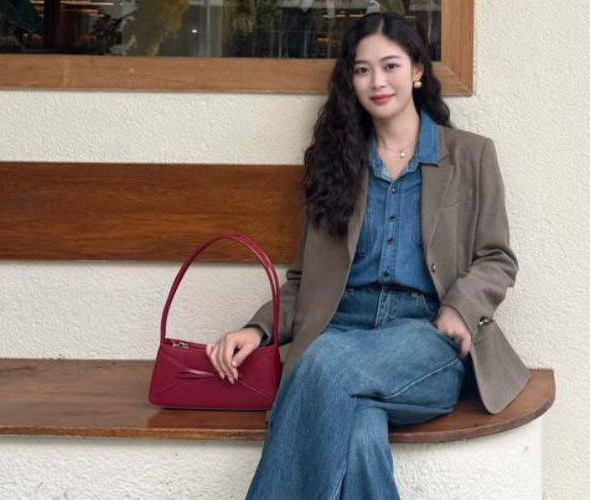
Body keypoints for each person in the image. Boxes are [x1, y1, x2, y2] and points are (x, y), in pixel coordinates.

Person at [206, 11, 529, 500]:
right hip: (340, 329)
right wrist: (258, 329)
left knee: (322, 362)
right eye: (362, 70)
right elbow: (305, 281)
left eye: (390, 66)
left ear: (417, 70)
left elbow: (496, 257)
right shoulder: (334, 163)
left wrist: (461, 307)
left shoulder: (470, 155)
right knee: (357, 430)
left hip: (423, 338)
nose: (377, 81)